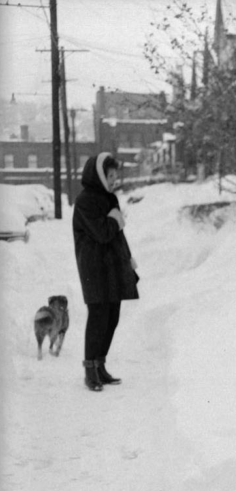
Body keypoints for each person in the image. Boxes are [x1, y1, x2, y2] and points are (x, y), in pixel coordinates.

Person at [73, 152, 139, 392]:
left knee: (112, 316)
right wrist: (115, 220)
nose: (113, 181)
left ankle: (100, 365)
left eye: (115, 176)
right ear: (99, 175)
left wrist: (128, 257)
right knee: (98, 316)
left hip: (112, 265)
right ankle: (90, 370)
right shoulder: (85, 201)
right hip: (94, 267)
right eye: (110, 176)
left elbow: (117, 233)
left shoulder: (110, 199)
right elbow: (102, 232)